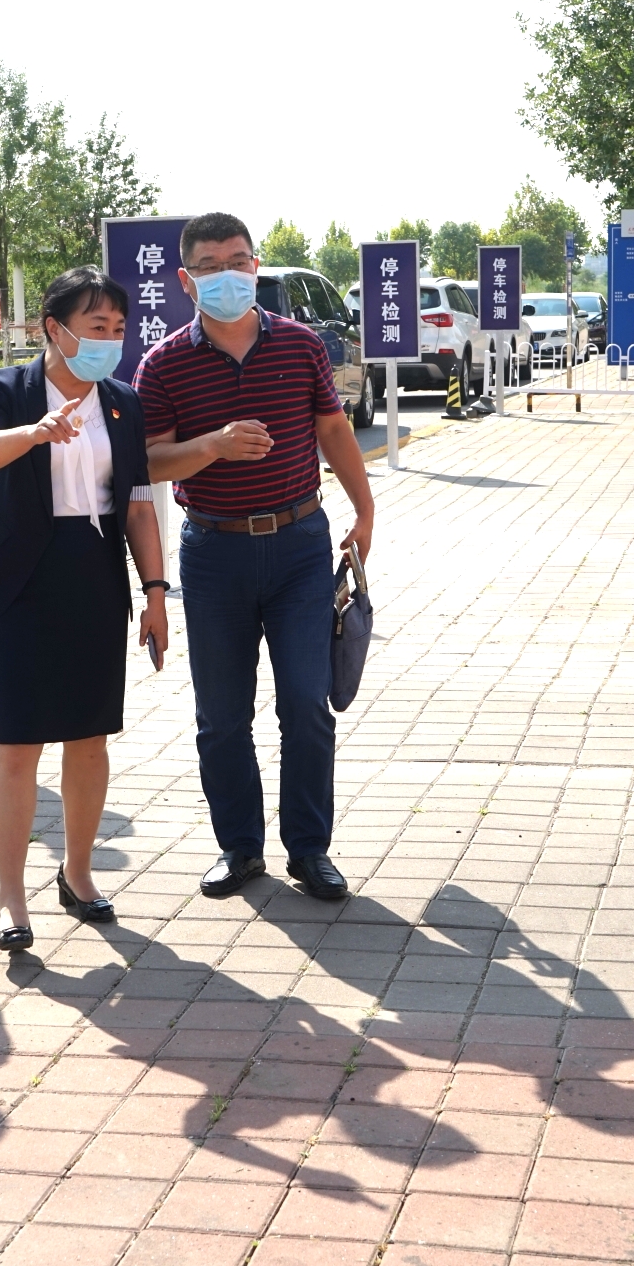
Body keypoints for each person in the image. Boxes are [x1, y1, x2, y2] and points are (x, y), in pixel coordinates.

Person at [135, 212, 376, 902]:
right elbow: (149, 459)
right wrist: (211, 445)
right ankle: (239, 847)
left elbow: (333, 428)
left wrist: (365, 509)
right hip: (213, 552)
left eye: (238, 261)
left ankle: (309, 849)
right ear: (186, 280)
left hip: (300, 546)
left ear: (255, 265)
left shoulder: (300, 344)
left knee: (305, 703)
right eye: (210, 266)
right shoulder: (163, 363)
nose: (228, 275)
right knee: (221, 715)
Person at [0, 267, 169, 951]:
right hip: (19, 580)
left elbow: (138, 504)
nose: (110, 339)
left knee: (89, 737)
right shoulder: (6, 388)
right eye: (96, 326)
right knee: (17, 743)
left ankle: (78, 873)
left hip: (93, 575)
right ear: (55, 328)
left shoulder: (123, 402)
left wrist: (155, 592)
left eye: (118, 328)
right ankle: (11, 899)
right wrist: (34, 432)